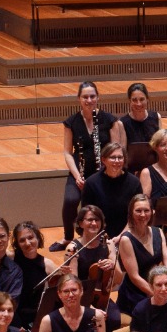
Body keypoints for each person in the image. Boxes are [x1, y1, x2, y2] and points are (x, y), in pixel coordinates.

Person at [62, 81, 114, 246]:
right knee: (70, 200)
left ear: (98, 97)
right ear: (79, 98)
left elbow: (115, 149)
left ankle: (100, 236)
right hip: (81, 171)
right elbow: (67, 152)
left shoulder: (108, 120)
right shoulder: (71, 122)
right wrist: (77, 176)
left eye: (92, 96)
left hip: (103, 172)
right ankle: (68, 237)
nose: (89, 100)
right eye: (85, 97)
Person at [80, 141, 142, 232]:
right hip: (99, 233)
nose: (117, 161)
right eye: (113, 157)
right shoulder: (91, 183)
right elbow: (87, 215)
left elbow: (137, 214)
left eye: (120, 157)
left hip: (128, 233)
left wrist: (122, 236)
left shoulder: (134, 183)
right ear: (103, 160)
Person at [109, 81, 162, 162]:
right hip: (133, 168)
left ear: (147, 99)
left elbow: (160, 146)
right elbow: (124, 153)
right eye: (134, 100)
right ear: (129, 101)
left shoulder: (156, 117)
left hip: (153, 167)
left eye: (142, 99)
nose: (138, 104)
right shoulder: (122, 123)